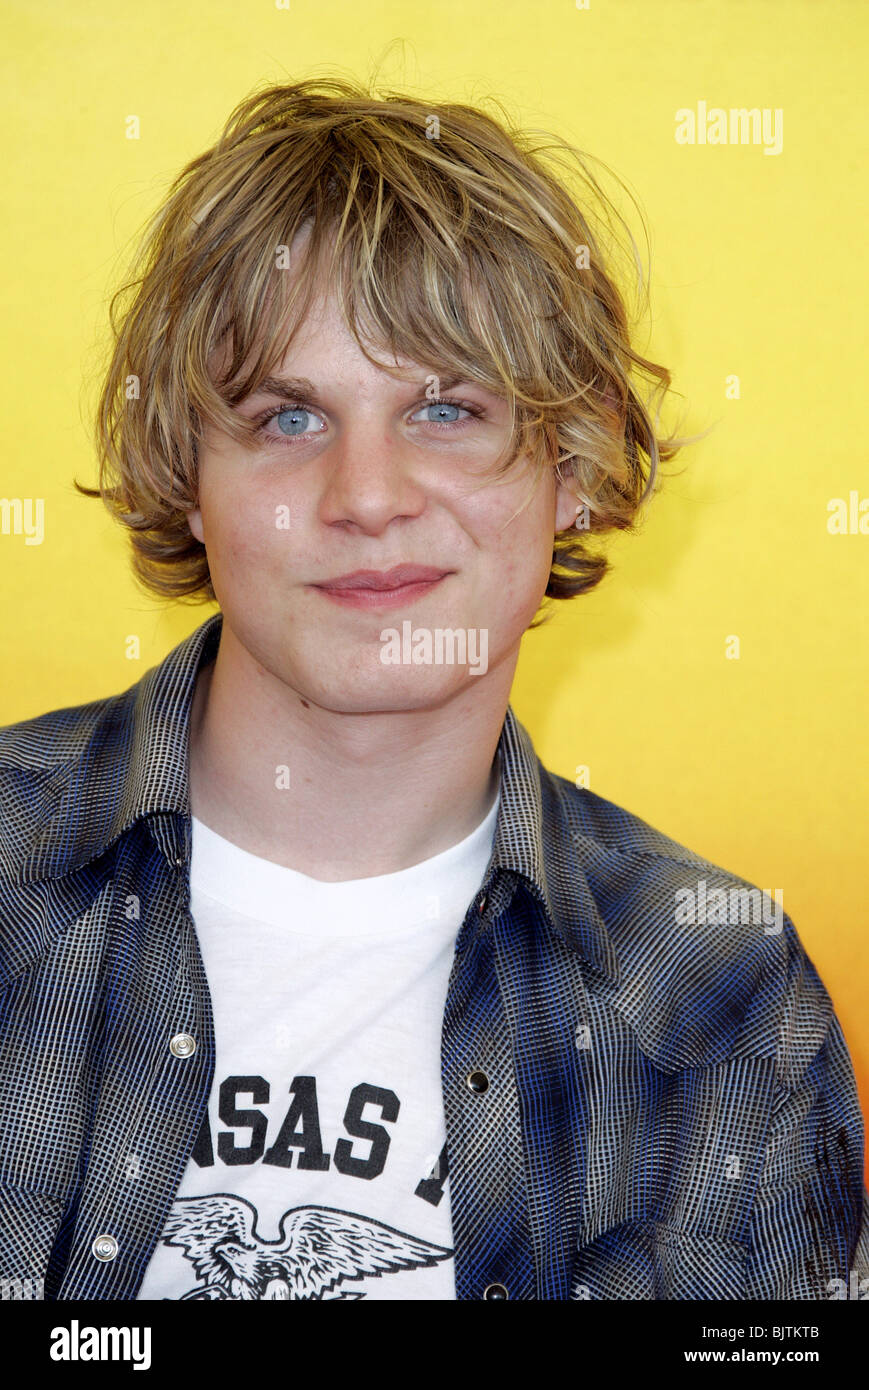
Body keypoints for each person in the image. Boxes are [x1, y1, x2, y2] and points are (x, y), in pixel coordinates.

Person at [1, 77, 866, 1302]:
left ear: (571, 469)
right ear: (190, 476)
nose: (367, 495)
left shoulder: (721, 994)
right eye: (289, 415)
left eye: (446, 409)